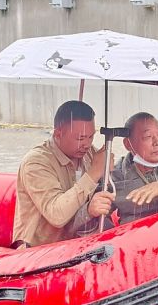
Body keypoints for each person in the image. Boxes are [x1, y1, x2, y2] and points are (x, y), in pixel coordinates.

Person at [12, 100, 115, 248]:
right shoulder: (36, 162)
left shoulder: (88, 153)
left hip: (77, 243)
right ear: (58, 134)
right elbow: (56, 216)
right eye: (80, 138)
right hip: (38, 250)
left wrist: (108, 172)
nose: (87, 144)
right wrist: (93, 173)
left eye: (91, 137)